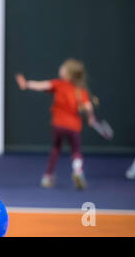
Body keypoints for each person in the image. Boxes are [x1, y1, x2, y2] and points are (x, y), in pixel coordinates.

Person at [15, 58, 96, 190]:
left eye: (63, 67)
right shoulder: (80, 90)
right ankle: (78, 171)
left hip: (58, 125)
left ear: (68, 73)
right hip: (73, 126)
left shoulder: (58, 84)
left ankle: (47, 176)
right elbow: (88, 107)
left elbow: (41, 85)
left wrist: (26, 84)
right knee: (75, 150)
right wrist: (90, 118)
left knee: (56, 148)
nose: (60, 69)